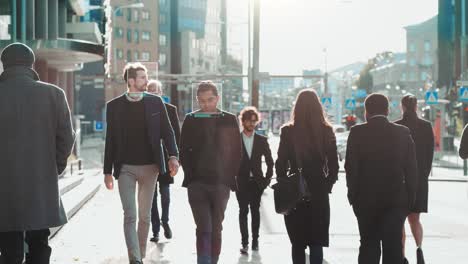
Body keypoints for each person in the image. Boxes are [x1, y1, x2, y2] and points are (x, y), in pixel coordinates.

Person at [0, 43, 75, 264]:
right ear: (31, 64)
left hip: (3, 186)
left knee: (9, 247)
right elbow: (66, 138)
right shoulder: (54, 94)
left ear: (4, 65)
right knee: (40, 243)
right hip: (40, 183)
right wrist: (55, 167)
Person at [103, 63, 179, 264]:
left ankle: (141, 253)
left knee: (144, 217)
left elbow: (167, 131)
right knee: (130, 214)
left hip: (150, 168)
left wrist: (173, 156)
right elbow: (110, 140)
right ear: (131, 81)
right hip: (125, 168)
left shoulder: (156, 102)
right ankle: (135, 259)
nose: (146, 81)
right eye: (143, 77)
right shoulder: (114, 106)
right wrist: (107, 171)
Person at [345, 93, 418, 264]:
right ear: (387, 110)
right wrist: (410, 199)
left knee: (368, 245)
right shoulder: (402, 132)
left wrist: (353, 196)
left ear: (366, 112)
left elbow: (351, 167)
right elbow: (411, 169)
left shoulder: (356, 132)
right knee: (393, 247)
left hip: (365, 200)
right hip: (396, 200)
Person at [180, 81, 242, 264]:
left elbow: (237, 152)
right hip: (197, 184)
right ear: (198, 100)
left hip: (221, 184)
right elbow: (183, 150)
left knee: (216, 228)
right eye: (202, 101)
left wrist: (228, 178)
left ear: (217, 98)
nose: (206, 104)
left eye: (210, 100)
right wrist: (191, 177)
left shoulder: (229, 119)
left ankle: (213, 261)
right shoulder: (191, 119)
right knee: (203, 228)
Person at [275, 89, 339, 264]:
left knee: (297, 243)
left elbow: (280, 163)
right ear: (318, 107)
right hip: (319, 191)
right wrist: (327, 185)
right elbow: (334, 166)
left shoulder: (288, 131)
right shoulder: (327, 131)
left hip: (294, 191)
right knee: (316, 242)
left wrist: (284, 184)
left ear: (297, 107)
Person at [395, 94, 434, 264]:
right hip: (419, 180)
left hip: (400, 181)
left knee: (399, 221)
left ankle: (402, 256)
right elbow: (429, 155)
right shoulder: (426, 126)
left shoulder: (396, 126)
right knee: (415, 219)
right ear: (416, 106)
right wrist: (423, 176)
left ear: (401, 107)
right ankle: (419, 251)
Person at [147, 80, 181, 242]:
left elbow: (176, 136)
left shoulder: (170, 110)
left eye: (156, 90)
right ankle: (155, 231)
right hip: (149, 160)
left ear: (161, 92)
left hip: (167, 159)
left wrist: (175, 157)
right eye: (150, 90)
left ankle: (165, 222)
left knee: (165, 194)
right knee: (151, 197)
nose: (153, 92)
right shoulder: (142, 110)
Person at [236, 107, 274, 254]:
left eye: (254, 121)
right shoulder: (236, 140)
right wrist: (233, 179)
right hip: (241, 182)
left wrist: (266, 180)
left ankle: (255, 242)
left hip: (257, 183)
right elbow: (229, 161)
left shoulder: (262, 140)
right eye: (248, 121)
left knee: (255, 212)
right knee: (243, 211)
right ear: (243, 121)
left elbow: (270, 162)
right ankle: (244, 243)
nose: (252, 123)